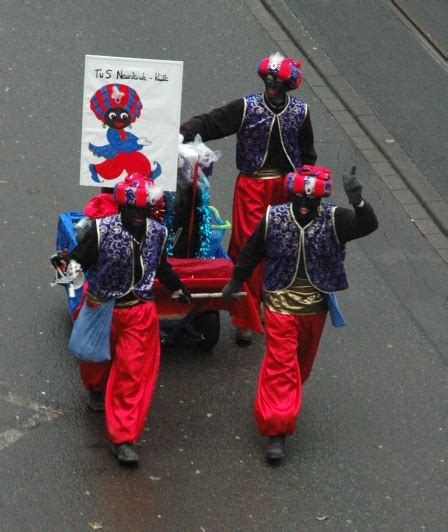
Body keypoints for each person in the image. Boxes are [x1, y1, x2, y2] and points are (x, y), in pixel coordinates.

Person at [221, 165, 378, 461]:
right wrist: (236, 281)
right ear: (292, 195)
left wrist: (358, 201)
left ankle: (283, 401)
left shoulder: (334, 219)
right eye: (300, 200)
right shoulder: (274, 218)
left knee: (299, 367)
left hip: (314, 308)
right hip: (279, 304)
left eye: (311, 201)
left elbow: (367, 226)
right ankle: (275, 432)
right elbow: (252, 251)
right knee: (281, 365)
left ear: (320, 201)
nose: (304, 206)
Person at [180, 52, 317, 345]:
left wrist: (309, 187)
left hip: (285, 189)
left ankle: (271, 304)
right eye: (267, 79)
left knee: (281, 248)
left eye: (276, 81)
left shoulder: (300, 113)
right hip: (252, 187)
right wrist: (183, 132)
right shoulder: (247, 108)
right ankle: (245, 317)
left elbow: (308, 156)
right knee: (248, 247)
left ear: (286, 86)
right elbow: (212, 122)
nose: (270, 84)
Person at [65, 174, 191, 465]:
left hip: (139, 312)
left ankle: (122, 438)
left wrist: (178, 288)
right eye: (131, 210)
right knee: (94, 363)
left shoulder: (158, 232)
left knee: (131, 374)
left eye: (142, 210)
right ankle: (95, 390)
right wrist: (68, 273)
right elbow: (73, 260)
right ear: (121, 207)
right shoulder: (100, 230)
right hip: (101, 307)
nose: (137, 216)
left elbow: (161, 266)